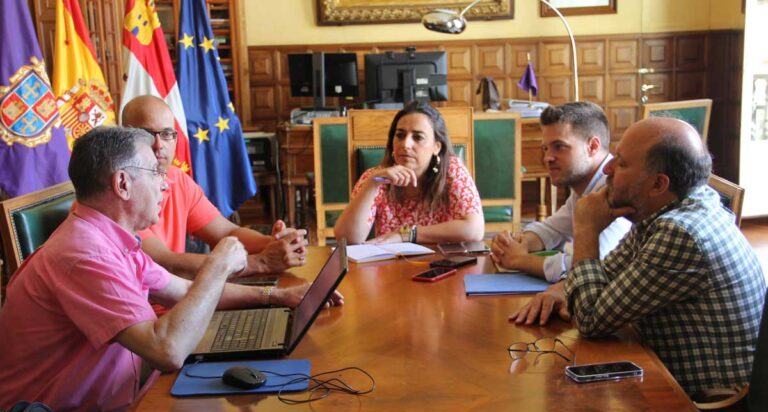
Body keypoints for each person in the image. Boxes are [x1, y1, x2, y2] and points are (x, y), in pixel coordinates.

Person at [0, 127, 339, 412]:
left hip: (130, 395)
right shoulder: (86, 254)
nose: (165, 186)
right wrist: (218, 265)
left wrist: (278, 297)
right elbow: (168, 350)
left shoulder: (110, 237)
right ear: (122, 183)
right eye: (155, 173)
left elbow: (183, 291)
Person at [513, 116, 765, 397]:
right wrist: (565, 289)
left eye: (620, 163)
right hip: (658, 378)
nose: (607, 168)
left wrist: (586, 228)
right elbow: (607, 274)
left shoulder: (680, 233)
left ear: (658, 184)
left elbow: (590, 319)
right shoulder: (667, 209)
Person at [121, 95, 307, 278]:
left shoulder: (177, 178)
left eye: (167, 134)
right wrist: (261, 262)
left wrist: (276, 243)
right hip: (143, 306)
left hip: (178, 299)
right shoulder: (122, 190)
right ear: (125, 137)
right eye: (147, 134)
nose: (159, 145)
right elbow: (165, 263)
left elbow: (227, 232)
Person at [491, 102, 630, 282]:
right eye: (545, 148)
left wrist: (520, 260)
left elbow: (597, 266)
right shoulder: (585, 186)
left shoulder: (615, 188)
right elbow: (552, 229)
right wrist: (517, 243)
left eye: (559, 146)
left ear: (593, 147)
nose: (547, 158)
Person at [334, 101, 484, 244]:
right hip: (391, 266)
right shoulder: (376, 177)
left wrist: (406, 234)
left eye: (418, 137)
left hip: (443, 265)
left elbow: (474, 230)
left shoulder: (452, 170)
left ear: (436, 147)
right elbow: (346, 239)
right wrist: (372, 184)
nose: (405, 144)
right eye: (400, 135)